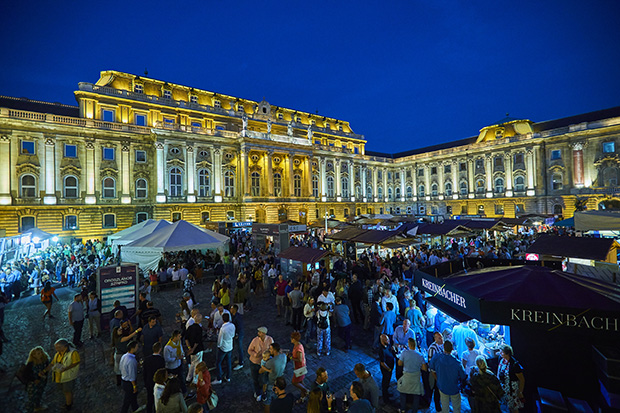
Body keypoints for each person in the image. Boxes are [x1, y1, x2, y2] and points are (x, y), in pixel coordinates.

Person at [429, 340, 467, 413]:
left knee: (444, 406)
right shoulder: (457, 363)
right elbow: (463, 376)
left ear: (443, 347)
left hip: (442, 386)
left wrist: (437, 379)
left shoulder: (436, 357)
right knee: (456, 408)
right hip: (454, 388)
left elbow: (431, 368)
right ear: (452, 349)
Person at [47, 338, 80, 411]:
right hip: (60, 376)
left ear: (64, 347)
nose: (56, 349)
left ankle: (68, 405)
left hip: (68, 376)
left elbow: (76, 362)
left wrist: (66, 368)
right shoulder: (58, 353)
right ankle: (70, 401)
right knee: (66, 391)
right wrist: (46, 370)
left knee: (67, 391)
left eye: (58, 347)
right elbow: (53, 362)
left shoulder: (73, 353)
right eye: (56, 347)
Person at [397, 337, 427, 413]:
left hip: (407, 376)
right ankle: (414, 411)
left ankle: (403, 409)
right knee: (416, 395)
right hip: (416, 378)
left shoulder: (404, 353)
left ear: (409, 345)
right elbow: (424, 368)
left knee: (403, 392)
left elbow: (399, 363)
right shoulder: (420, 355)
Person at [248, 326, 274, 401]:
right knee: (255, 379)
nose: (258, 333)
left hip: (265, 364)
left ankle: (263, 392)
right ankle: (258, 393)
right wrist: (256, 355)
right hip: (255, 362)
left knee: (264, 379)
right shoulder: (255, 340)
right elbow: (249, 350)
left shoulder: (270, 340)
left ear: (264, 333)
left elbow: (273, 350)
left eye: (260, 332)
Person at [497, 345, 525, 413]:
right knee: (509, 406)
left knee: (514, 407)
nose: (500, 353)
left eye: (502, 352)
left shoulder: (514, 365)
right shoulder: (501, 360)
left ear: (507, 353)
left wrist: (520, 392)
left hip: (512, 390)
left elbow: (522, 379)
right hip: (505, 388)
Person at [260, 342, 287, 413]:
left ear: (274, 350)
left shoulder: (271, 362)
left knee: (267, 401)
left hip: (272, 383)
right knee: (276, 397)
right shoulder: (284, 356)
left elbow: (260, 371)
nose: (269, 350)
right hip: (279, 381)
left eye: (270, 349)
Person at [25, 346, 50, 413]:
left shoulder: (45, 360)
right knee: (32, 398)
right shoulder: (31, 363)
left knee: (39, 394)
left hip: (42, 382)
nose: (41, 354)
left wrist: (44, 374)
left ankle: (37, 407)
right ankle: (30, 410)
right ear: (34, 355)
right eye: (38, 353)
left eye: (41, 352)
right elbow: (27, 374)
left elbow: (47, 369)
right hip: (33, 383)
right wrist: (34, 379)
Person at [213, 312, 235, 384]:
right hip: (230, 346)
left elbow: (220, 340)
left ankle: (219, 378)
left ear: (223, 319)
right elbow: (233, 335)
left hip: (223, 347)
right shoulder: (232, 325)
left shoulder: (223, 329)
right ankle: (228, 377)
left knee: (218, 362)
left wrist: (218, 346)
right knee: (228, 362)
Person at [143, 342, 165, 413]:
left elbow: (144, 372)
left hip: (149, 381)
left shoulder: (147, 359)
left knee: (149, 399)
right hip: (157, 382)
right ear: (160, 349)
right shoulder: (161, 360)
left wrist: (145, 382)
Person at [164, 330, 187, 395]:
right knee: (172, 382)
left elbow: (181, 350)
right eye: (179, 336)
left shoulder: (178, 342)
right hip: (172, 367)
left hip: (178, 365)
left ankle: (184, 392)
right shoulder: (167, 347)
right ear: (175, 337)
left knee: (182, 380)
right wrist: (176, 358)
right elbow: (167, 359)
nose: (180, 337)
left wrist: (183, 358)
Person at [120, 340, 140, 413]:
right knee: (127, 401)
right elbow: (132, 376)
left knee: (132, 398)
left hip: (124, 380)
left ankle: (135, 408)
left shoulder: (124, 356)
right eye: (136, 347)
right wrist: (134, 386)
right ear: (133, 349)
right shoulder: (131, 360)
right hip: (129, 383)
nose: (137, 348)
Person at [426, 331, 444, 412]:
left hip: (440, 372)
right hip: (434, 373)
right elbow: (430, 363)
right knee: (433, 389)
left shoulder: (442, 346)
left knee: (437, 390)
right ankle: (433, 406)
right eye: (439, 338)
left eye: (442, 337)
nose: (441, 339)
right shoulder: (432, 348)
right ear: (435, 339)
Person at [185, 313, 205, 382]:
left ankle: (188, 378)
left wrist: (189, 348)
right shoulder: (199, 329)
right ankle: (195, 380)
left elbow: (186, 338)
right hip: (198, 349)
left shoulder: (190, 327)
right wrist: (193, 349)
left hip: (191, 349)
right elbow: (197, 341)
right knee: (197, 365)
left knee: (192, 363)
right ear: (200, 320)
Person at [290, 331, 308, 400]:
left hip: (300, 367)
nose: (291, 339)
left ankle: (306, 390)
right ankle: (303, 396)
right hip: (299, 366)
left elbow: (299, 359)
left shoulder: (298, 348)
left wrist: (291, 358)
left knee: (294, 382)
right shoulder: (297, 345)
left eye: (292, 338)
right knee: (300, 381)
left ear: (294, 339)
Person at [378, 334, 397, 404]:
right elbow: (382, 363)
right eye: (387, 340)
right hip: (386, 369)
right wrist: (389, 369)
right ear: (382, 341)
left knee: (388, 381)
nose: (389, 341)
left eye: (388, 339)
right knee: (385, 383)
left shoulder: (388, 345)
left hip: (390, 367)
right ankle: (385, 398)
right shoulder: (381, 350)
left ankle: (387, 393)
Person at [231, 304, 245, 370]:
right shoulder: (234, 315)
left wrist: (237, 334)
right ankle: (239, 359)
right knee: (237, 348)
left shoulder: (237, 317)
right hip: (237, 334)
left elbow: (239, 327)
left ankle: (241, 362)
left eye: (231, 308)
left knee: (240, 348)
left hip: (239, 334)